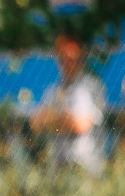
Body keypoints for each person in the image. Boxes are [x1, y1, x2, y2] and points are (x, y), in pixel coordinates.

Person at [30, 35, 106, 174]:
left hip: (86, 168)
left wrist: (52, 119)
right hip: (60, 168)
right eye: (63, 58)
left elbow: (81, 126)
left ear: (81, 59)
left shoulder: (92, 87)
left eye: (73, 59)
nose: (68, 63)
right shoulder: (54, 90)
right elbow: (35, 123)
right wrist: (63, 120)